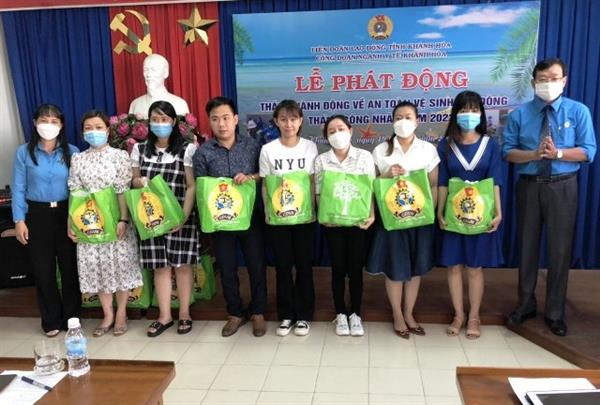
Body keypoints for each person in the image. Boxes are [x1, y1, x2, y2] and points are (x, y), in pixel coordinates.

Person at [503, 58, 596, 336]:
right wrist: (534, 154)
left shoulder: (578, 111)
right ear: (534, 83)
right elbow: (508, 153)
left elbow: (588, 151)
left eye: (554, 78)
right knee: (527, 248)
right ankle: (525, 304)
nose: (548, 84)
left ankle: (555, 313)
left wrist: (558, 153)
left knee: (560, 250)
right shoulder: (520, 115)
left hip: (563, 186)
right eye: (542, 79)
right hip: (529, 186)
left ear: (564, 81)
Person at [193, 97, 267, 337]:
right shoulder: (203, 152)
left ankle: (258, 312)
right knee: (226, 268)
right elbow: (200, 188)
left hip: (250, 217)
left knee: (256, 265)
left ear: (235, 119)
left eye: (225, 118)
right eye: (215, 119)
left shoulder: (253, 146)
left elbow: (265, 174)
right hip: (220, 220)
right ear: (210, 122)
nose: (221, 124)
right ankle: (235, 312)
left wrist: (250, 177)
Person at [67, 110, 143, 337]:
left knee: (119, 267)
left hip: (115, 220)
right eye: (88, 128)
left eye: (98, 127)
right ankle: (107, 314)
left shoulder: (119, 156)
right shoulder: (78, 158)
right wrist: (71, 222)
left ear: (108, 131)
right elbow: (74, 192)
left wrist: (123, 219)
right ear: (83, 133)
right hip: (89, 222)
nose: (94, 132)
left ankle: (121, 313)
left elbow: (122, 190)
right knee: (97, 267)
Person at [367, 101, 439, 339]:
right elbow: (372, 186)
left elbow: (433, 184)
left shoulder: (428, 150)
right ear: (392, 121)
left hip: (420, 219)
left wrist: (430, 215)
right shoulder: (381, 151)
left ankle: (409, 313)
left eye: (408, 117)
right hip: (393, 219)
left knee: (416, 268)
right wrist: (387, 175)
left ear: (417, 121)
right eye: (398, 117)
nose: (403, 122)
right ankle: (397, 315)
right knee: (395, 268)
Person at [437, 91, 503, 339]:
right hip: (453, 215)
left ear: (481, 114)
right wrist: (440, 211)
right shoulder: (446, 145)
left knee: (475, 267)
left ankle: (474, 316)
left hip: (480, 215)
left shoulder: (490, 144)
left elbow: (495, 180)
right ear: (455, 114)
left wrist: (498, 212)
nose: (469, 114)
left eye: (474, 110)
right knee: (453, 266)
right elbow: (442, 182)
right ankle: (458, 315)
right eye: (464, 110)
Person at [11, 104, 81, 337]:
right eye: (44, 120)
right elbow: (18, 188)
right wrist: (19, 220)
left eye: (54, 121)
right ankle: (51, 320)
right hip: (37, 215)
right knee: (43, 269)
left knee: (70, 267)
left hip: (67, 213)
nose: (48, 125)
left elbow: (78, 188)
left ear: (61, 125)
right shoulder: (24, 152)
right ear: (34, 123)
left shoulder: (72, 151)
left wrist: (75, 217)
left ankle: (72, 318)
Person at [131, 100, 199, 337]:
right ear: (148, 123)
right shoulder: (139, 149)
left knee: (182, 266)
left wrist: (183, 216)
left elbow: (191, 186)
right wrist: (139, 181)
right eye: (155, 119)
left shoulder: (187, 149)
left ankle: (184, 313)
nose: (160, 124)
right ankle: (164, 315)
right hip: (150, 218)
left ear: (174, 122)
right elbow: (133, 181)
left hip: (180, 216)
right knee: (160, 267)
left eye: (164, 119)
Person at [259, 99, 318, 337]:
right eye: (283, 119)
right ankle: (285, 314)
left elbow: (313, 182)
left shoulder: (309, 147)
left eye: (293, 119)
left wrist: (313, 211)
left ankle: (303, 315)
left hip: (304, 217)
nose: (289, 124)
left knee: (304, 266)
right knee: (282, 267)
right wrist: (267, 211)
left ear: (300, 121)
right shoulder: (268, 149)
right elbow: (265, 184)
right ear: (276, 121)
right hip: (278, 217)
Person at [314, 115, 376, 336]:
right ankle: (340, 312)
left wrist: (372, 214)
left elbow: (370, 189)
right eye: (331, 131)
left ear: (350, 131)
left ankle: (356, 313)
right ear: (326, 137)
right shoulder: (321, 160)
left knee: (356, 268)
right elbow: (318, 192)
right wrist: (323, 215)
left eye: (341, 129)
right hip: (333, 223)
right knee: (338, 268)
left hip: (358, 223)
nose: (337, 134)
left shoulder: (364, 156)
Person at [129, 54, 190, 118]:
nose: (148, 75)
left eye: (153, 69)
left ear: (166, 73)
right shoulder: (135, 104)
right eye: (146, 70)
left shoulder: (179, 104)